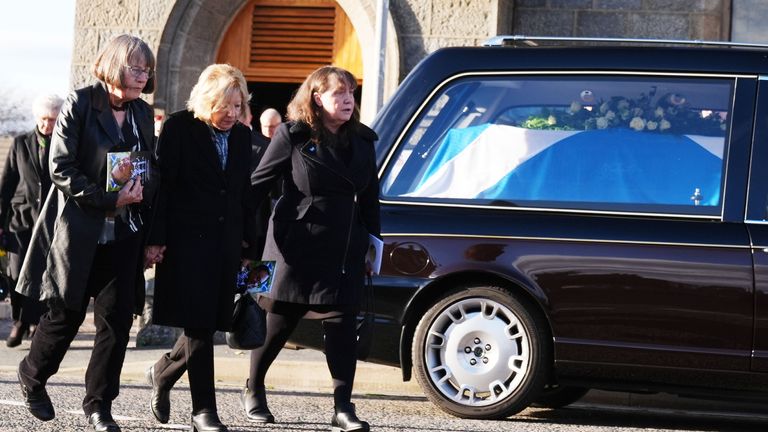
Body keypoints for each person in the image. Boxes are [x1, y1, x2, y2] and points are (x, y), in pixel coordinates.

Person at [14, 34, 157, 432]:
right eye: (136, 67)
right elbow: (60, 168)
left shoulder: (143, 115)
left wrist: (147, 192)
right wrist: (109, 199)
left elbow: (148, 164)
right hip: (79, 230)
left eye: (147, 69)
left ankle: (99, 405)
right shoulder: (80, 102)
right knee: (66, 314)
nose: (143, 75)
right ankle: (32, 374)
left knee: (116, 322)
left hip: (126, 233)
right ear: (114, 65)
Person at [242, 66, 380, 432]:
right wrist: (239, 235)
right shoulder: (292, 135)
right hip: (292, 244)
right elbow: (257, 186)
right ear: (318, 99)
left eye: (351, 92)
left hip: (344, 245)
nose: (348, 99)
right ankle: (253, 388)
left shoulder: (364, 141)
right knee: (276, 322)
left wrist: (374, 246)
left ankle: (342, 407)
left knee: (341, 325)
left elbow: (370, 201)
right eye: (339, 93)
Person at [144, 63, 254, 432]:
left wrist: (248, 245)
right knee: (200, 327)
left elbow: (242, 194)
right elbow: (164, 187)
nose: (231, 114)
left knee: (206, 326)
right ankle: (203, 412)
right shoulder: (178, 127)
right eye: (225, 105)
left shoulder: (241, 137)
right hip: (187, 243)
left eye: (238, 106)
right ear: (207, 100)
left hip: (224, 245)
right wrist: (155, 239)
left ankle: (162, 372)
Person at [0, 94, 63, 347]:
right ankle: (20, 321)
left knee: (43, 273)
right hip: (21, 219)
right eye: (45, 119)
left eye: (53, 120)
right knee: (16, 273)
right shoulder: (20, 143)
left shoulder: (65, 144)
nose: (48, 125)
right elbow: (7, 184)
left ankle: (37, 322)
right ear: (37, 118)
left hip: (50, 220)